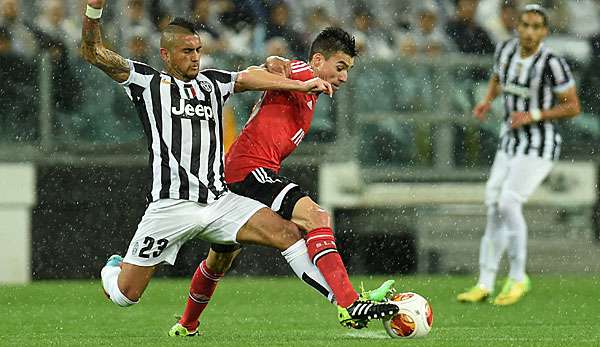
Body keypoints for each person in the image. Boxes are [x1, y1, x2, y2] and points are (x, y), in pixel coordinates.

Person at [81, 0, 398, 332]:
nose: (195, 57)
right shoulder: (148, 83)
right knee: (126, 295)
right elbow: (93, 52)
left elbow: (249, 77)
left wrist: (293, 80)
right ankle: (112, 270)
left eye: (198, 50)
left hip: (220, 201)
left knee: (287, 234)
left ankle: (347, 305)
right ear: (166, 55)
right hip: (171, 206)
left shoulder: (212, 83)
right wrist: (93, 11)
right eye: (187, 51)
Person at [169, 27, 398, 337]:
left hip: (237, 174)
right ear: (318, 60)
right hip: (248, 170)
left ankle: (186, 325)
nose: (344, 77)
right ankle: (349, 303)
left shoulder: (312, 93)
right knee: (315, 216)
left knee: (221, 258)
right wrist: (281, 67)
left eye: (348, 71)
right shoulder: (304, 74)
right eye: (340, 67)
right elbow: (270, 66)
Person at [457, 4, 580, 306]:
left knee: (509, 203)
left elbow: (572, 106)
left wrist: (534, 114)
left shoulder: (552, 63)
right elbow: (498, 79)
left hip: (539, 144)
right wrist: (487, 101)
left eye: (536, 26)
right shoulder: (506, 51)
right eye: (525, 25)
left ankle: (517, 276)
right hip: (509, 142)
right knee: (493, 207)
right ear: (518, 27)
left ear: (545, 32)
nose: (528, 31)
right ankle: (485, 282)